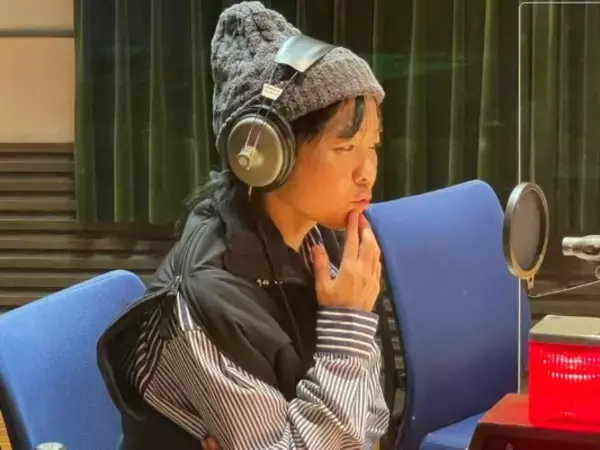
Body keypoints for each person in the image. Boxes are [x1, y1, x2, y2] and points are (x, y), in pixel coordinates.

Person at [98, 2, 389, 449]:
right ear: (265, 156)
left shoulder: (322, 243)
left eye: (373, 146)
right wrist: (348, 327)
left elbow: (372, 421)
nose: (367, 172)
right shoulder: (207, 303)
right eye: (346, 148)